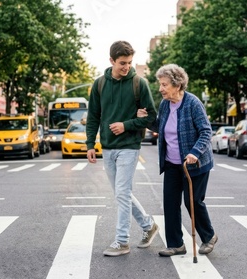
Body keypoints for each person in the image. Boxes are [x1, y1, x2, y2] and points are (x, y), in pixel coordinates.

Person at [85, 40, 158, 257]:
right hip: (108, 147)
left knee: (123, 192)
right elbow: (93, 117)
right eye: (122, 63)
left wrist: (126, 125)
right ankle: (148, 226)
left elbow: (152, 117)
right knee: (121, 194)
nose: (126, 67)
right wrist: (90, 144)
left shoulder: (139, 83)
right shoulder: (99, 85)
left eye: (129, 63)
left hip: (129, 146)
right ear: (111, 61)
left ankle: (122, 241)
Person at [138, 64, 217, 257]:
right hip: (172, 163)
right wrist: (146, 119)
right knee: (170, 203)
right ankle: (176, 244)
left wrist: (195, 152)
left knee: (193, 202)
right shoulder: (165, 105)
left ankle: (209, 237)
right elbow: (160, 126)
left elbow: (206, 131)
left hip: (195, 163)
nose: (161, 89)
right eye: (160, 84)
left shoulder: (192, 103)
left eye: (165, 85)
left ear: (177, 84)